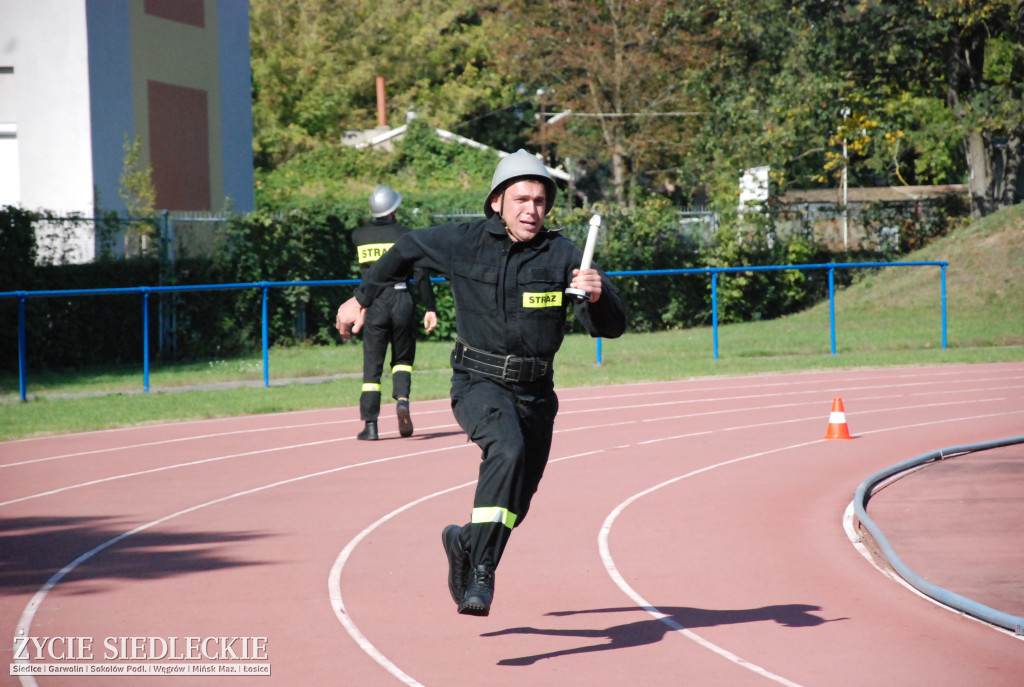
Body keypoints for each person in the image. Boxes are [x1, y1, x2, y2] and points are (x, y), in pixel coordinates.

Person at [336, 151, 626, 616]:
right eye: (521, 199)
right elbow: (406, 248)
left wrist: (598, 294)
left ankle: (464, 542)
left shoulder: (564, 253)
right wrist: (360, 298)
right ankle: (482, 575)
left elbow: (609, 327)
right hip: (478, 381)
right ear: (497, 202)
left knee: (516, 502)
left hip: (536, 394)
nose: (531, 209)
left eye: (539, 200)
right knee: (506, 453)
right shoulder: (462, 241)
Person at [350, 184, 438, 440]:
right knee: (402, 360)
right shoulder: (407, 235)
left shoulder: (359, 236)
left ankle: (370, 425)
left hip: (374, 303)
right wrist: (430, 307)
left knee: (372, 367)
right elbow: (421, 275)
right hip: (401, 299)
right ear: (394, 209)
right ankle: (402, 401)